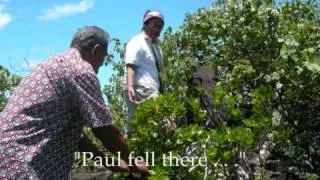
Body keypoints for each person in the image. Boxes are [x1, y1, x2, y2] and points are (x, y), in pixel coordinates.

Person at [0, 26, 148, 179]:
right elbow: (104, 129)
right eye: (102, 60)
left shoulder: (51, 65)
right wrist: (133, 162)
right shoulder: (80, 70)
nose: (98, 69)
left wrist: (108, 162)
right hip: (23, 167)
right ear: (96, 50)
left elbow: (79, 138)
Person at [124, 10, 165, 137]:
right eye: (154, 25)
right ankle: (128, 153)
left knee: (138, 126)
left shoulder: (156, 46)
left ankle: (127, 153)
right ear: (145, 25)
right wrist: (130, 87)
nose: (157, 29)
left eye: (160, 26)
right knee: (160, 120)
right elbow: (131, 64)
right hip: (140, 88)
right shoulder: (137, 41)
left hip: (152, 88)